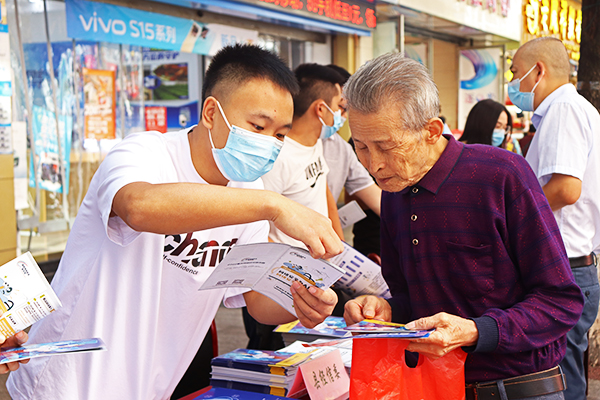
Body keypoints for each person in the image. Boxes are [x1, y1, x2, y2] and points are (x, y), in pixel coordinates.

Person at [7, 44, 343, 400]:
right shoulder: (144, 153)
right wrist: (274, 206)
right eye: (258, 126)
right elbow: (138, 207)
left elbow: (257, 301)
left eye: (279, 135)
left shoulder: (251, 192)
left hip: (150, 386)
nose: (268, 144)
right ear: (211, 113)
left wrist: (302, 301)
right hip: (64, 384)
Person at [342, 53, 584, 399]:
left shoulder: (502, 176)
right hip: (433, 387)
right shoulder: (394, 192)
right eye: (361, 147)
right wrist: (386, 310)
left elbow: (560, 301)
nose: (373, 164)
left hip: (516, 387)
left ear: (431, 131)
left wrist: (475, 331)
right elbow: (413, 301)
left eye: (387, 147)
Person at [511, 36, 600, 400]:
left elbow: (565, 189)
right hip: (571, 266)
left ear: (538, 71)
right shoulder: (569, 110)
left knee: (560, 383)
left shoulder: (563, 109)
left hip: (564, 268)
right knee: (563, 378)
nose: (513, 83)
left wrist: (512, 216)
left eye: (515, 73)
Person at [242, 63, 347, 350]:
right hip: (278, 286)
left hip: (314, 277)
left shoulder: (314, 144)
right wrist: (282, 277)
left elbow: (323, 189)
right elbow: (256, 224)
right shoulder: (277, 158)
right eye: (340, 107)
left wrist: (337, 248)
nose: (342, 115)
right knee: (273, 352)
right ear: (321, 109)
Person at [323, 64, 382, 260]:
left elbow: (374, 196)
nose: (344, 116)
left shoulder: (341, 148)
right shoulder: (286, 148)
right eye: (341, 107)